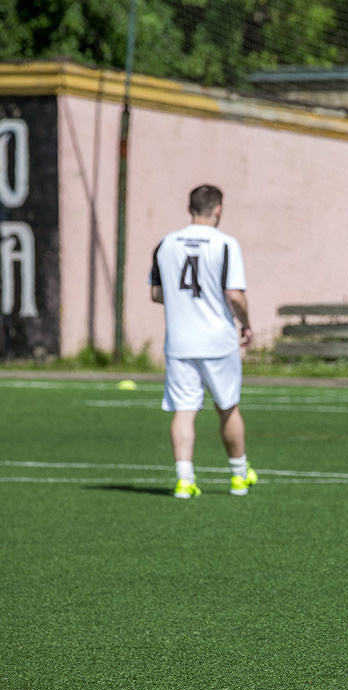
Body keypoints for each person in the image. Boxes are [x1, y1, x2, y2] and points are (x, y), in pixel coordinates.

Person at [149, 184, 257, 498]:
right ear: (218, 209)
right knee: (228, 408)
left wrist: (185, 303)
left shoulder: (165, 244)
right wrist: (247, 325)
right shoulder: (225, 244)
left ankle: (184, 480)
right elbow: (234, 295)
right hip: (217, 341)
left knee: (184, 410)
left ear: (189, 207)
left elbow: (157, 293)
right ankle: (239, 476)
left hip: (180, 342)